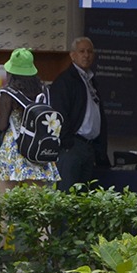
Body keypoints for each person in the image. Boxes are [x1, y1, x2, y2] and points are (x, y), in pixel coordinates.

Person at [0, 48, 59, 189]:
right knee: (35, 201)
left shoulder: (9, 93)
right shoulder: (44, 91)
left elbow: (2, 125)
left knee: (4, 199)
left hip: (13, 149)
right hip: (37, 149)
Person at [48, 37, 106, 190]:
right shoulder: (65, 80)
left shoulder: (90, 80)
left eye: (89, 52)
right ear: (72, 55)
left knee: (83, 196)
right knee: (67, 194)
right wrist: (67, 142)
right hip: (72, 146)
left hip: (89, 146)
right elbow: (59, 113)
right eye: (82, 51)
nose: (86, 55)